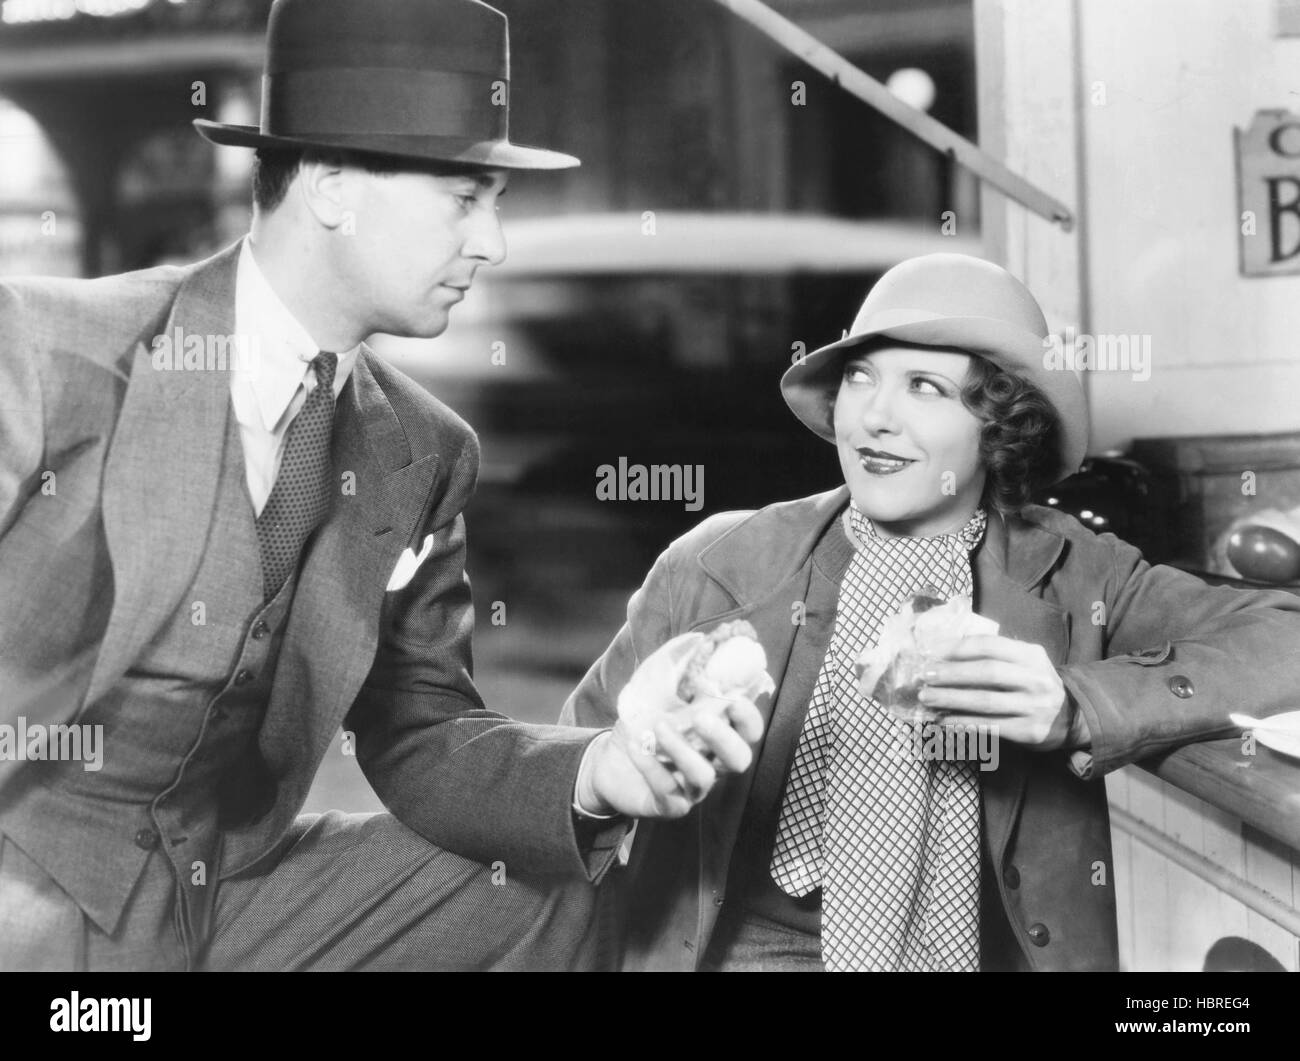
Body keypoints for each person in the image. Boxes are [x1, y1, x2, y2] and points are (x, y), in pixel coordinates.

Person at [0, 0, 760, 972]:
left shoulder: (424, 448)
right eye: (463, 197)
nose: (492, 241)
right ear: (330, 187)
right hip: (21, 883)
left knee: (552, 874)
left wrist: (605, 767)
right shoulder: (46, 350)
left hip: (216, 890)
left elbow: (422, 735)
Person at [562, 253, 1300, 971]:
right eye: (860, 378)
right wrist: (634, 758)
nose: (876, 417)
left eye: (924, 386)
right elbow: (567, 780)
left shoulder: (1078, 571)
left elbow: (1287, 636)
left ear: (1000, 425)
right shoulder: (714, 562)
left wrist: (1080, 705)